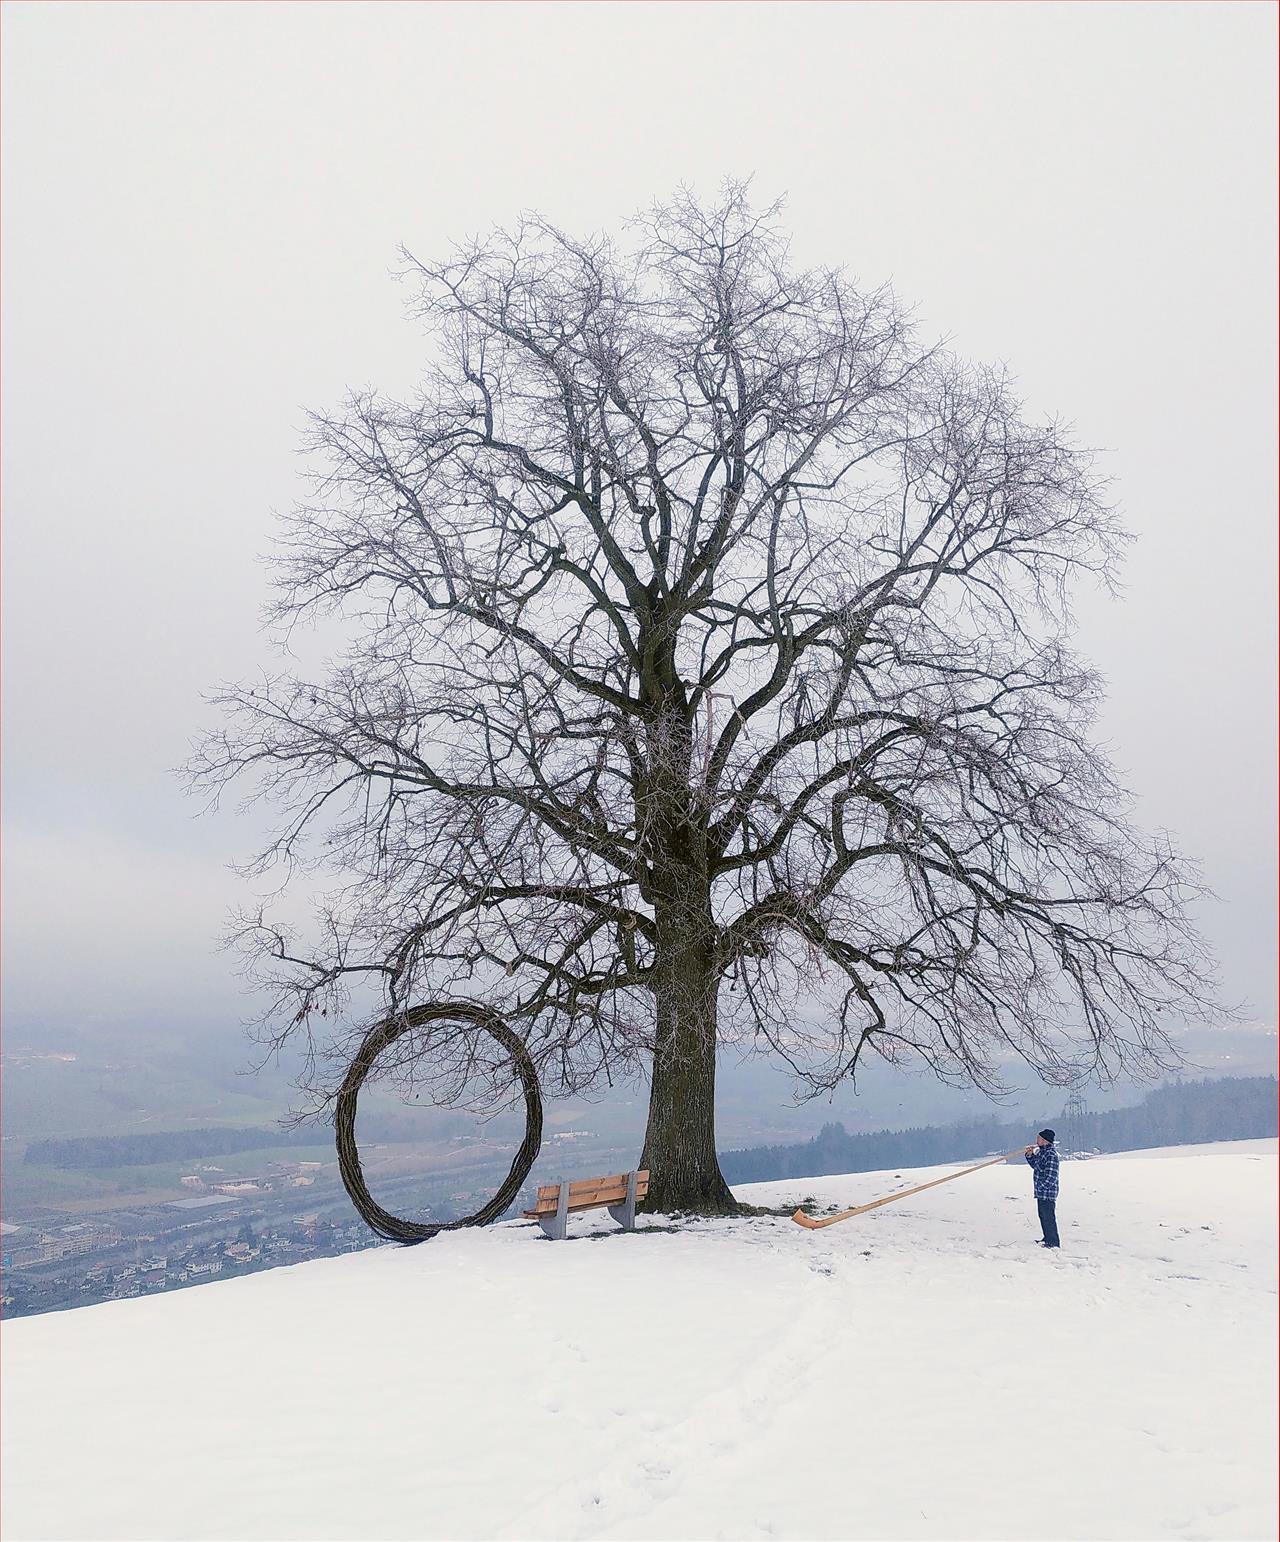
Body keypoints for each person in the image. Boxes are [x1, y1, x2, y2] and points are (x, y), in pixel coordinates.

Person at [1024, 1128, 1060, 1248]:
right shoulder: (1042, 1152)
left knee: (1048, 1217)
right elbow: (1036, 1165)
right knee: (1043, 1216)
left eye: (1039, 1138)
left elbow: (1051, 1176)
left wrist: (1042, 1187)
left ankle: (1053, 1242)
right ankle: (1047, 1238)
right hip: (1041, 1192)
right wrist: (1030, 1155)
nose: (1036, 1141)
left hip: (1047, 1192)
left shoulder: (1051, 1154)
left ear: (1045, 1141)